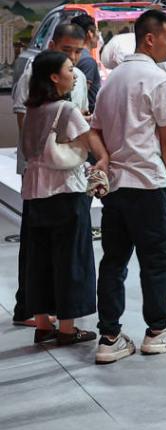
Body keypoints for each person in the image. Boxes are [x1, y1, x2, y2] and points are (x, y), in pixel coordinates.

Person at [91, 8, 166, 363]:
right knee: (157, 261)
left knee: (113, 262)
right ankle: (158, 331)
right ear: (150, 39)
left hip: (116, 187)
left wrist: (105, 160)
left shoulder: (112, 80)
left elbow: (94, 130)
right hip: (149, 183)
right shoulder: (158, 80)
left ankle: (109, 337)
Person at [20, 51, 110, 347]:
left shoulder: (34, 109)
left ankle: (43, 324)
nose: (74, 75)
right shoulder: (66, 109)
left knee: (39, 260)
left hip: (35, 192)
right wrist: (104, 160)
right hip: (65, 191)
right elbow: (89, 140)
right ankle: (68, 329)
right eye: (70, 70)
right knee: (71, 258)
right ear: (54, 77)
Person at [10, 21, 90, 329]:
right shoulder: (35, 72)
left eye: (78, 51)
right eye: (67, 50)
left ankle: (50, 314)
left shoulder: (77, 77)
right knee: (42, 248)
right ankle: (32, 310)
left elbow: (79, 119)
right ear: (53, 45)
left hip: (65, 172)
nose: (73, 57)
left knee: (52, 249)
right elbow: (27, 122)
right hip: (42, 174)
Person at [69, 13, 101, 112]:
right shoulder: (88, 61)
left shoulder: (72, 57)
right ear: (90, 33)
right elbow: (80, 95)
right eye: (97, 31)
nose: (99, 36)